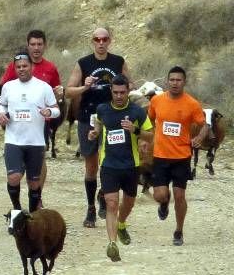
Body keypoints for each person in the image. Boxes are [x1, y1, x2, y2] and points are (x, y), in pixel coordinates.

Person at [65, 27, 131, 227]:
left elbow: (131, 86)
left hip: (113, 119)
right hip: (88, 117)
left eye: (105, 39)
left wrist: (121, 89)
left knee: (110, 160)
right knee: (91, 164)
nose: (101, 43)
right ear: (92, 41)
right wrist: (84, 87)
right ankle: (90, 208)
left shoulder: (118, 62)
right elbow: (68, 91)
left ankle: (104, 194)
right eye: (97, 39)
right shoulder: (83, 63)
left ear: (110, 40)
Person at [87, 75, 153, 261]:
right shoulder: (103, 109)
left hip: (131, 165)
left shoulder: (137, 112)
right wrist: (95, 132)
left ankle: (122, 224)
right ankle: (112, 244)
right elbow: (98, 122)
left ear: (128, 92)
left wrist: (136, 130)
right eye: (115, 92)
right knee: (112, 203)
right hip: (109, 164)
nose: (118, 96)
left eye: (122, 92)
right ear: (111, 92)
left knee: (129, 202)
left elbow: (150, 136)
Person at [147, 66, 207, 246]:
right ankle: (164, 203)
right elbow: (149, 120)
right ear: (167, 81)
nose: (175, 83)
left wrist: (199, 137)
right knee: (160, 195)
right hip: (160, 156)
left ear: (184, 82)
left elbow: (205, 124)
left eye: (178, 80)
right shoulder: (157, 100)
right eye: (172, 80)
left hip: (182, 156)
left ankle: (179, 231)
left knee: (180, 195)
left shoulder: (192, 104)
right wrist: (146, 138)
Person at [0, 30, 63, 190]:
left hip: (40, 121)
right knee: (16, 165)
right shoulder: (16, 65)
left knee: (41, 161)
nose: (36, 48)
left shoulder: (51, 68)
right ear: (28, 46)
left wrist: (58, 95)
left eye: (39, 44)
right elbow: (2, 89)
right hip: (16, 121)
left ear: (45, 46)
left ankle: (37, 195)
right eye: (33, 44)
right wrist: (3, 111)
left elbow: (57, 95)